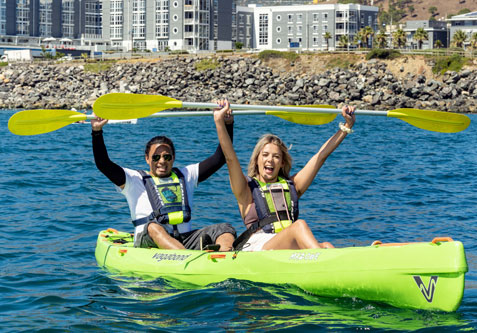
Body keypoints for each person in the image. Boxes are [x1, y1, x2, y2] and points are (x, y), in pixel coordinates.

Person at [213, 100, 356, 251]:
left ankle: (334, 264)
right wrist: (219, 121)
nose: (270, 160)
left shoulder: (292, 186)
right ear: (257, 160)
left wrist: (347, 126)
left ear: (282, 163)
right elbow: (230, 158)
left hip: (287, 246)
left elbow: (320, 156)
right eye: (265, 155)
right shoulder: (246, 190)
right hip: (258, 248)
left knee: (327, 245)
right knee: (299, 225)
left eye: (276, 156)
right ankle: (322, 261)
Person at [91, 113, 236, 251]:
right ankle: (189, 259)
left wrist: (227, 124)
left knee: (224, 229)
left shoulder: (186, 175)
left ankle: (225, 258)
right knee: (153, 226)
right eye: (156, 157)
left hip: (184, 240)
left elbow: (220, 158)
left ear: (173, 158)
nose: (161, 161)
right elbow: (103, 164)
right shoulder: (133, 179)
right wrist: (97, 132)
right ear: (147, 159)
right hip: (149, 241)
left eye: (167, 157)